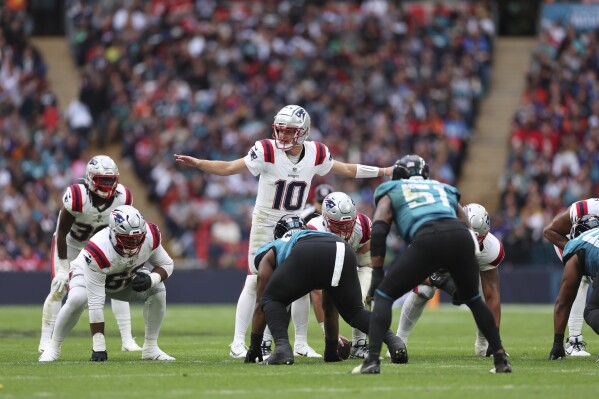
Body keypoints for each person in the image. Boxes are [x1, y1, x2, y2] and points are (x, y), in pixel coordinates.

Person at [174, 104, 392, 358]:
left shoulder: (316, 152)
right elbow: (230, 168)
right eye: (280, 130)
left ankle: (300, 343)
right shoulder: (266, 150)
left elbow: (346, 169)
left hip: (295, 225)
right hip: (266, 222)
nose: (283, 136)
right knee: (255, 280)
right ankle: (237, 342)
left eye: (289, 132)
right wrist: (200, 163)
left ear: (303, 132)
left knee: (300, 283)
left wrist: (382, 171)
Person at [352, 154, 511, 374]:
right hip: (461, 237)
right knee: (474, 300)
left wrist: (377, 270)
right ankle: (501, 359)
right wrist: (466, 267)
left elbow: (379, 228)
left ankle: (372, 361)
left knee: (384, 295)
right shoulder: (443, 188)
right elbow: (464, 224)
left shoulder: (392, 189)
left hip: (428, 235)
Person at [244, 214, 407, 365]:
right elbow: (329, 307)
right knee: (354, 312)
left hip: (305, 251)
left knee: (271, 300)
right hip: (343, 249)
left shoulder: (271, 248)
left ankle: (282, 348)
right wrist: (331, 350)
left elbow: (261, 303)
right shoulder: (314, 233)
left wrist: (254, 347)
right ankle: (393, 341)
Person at [39, 205, 175, 362]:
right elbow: (96, 302)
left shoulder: (150, 235)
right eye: (128, 240)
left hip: (121, 280)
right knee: (78, 299)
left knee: (158, 288)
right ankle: (53, 347)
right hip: (86, 275)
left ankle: (151, 348)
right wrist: (99, 346)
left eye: (138, 239)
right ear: (114, 233)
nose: (134, 245)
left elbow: (167, 264)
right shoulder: (99, 250)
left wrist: (152, 278)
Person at [39, 155, 141, 353]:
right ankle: (45, 340)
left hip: (101, 247)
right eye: (103, 180)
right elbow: (61, 232)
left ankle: (127, 340)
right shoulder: (77, 196)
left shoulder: (123, 197)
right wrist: (62, 267)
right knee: (59, 288)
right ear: (90, 178)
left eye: (110, 180)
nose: (107, 184)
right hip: (71, 245)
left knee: (119, 284)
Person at [395, 203, 504, 356]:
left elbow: (492, 292)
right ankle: (399, 339)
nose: (471, 242)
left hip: (468, 270)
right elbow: (415, 272)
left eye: (477, 239)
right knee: (424, 290)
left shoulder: (490, 248)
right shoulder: (434, 235)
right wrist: (442, 282)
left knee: (483, 296)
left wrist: (495, 340)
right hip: (438, 268)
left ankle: (484, 344)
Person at [307, 191, 373, 359]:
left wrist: (359, 294)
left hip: (350, 265)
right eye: (339, 225)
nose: (344, 229)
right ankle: (293, 343)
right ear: (326, 219)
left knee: (363, 298)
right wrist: (326, 331)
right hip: (324, 267)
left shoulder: (363, 224)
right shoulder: (314, 229)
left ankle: (359, 345)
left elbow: (365, 262)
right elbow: (315, 287)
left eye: (348, 224)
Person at [543, 198, 599, 357]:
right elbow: (549, 231)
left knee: (593, 309)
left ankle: (562, 344)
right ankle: (574, 340)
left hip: (589, 247)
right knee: (581, 281)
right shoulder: (589, 207)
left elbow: (562, 302)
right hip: (573, 242)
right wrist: (574, 248)